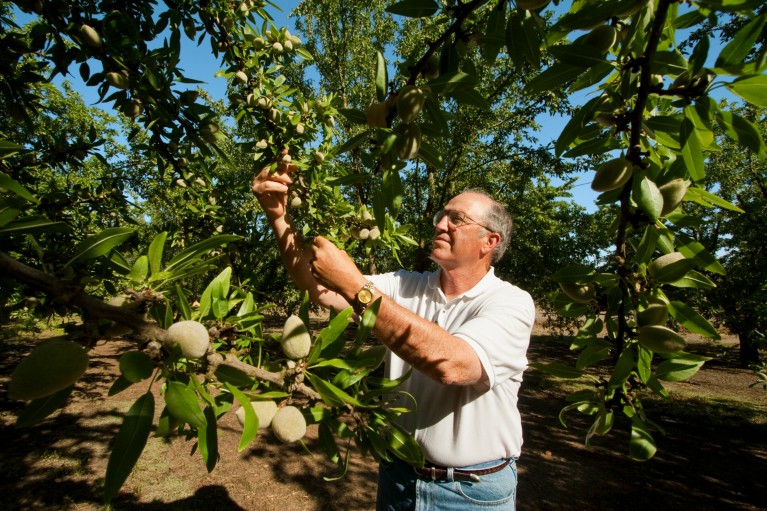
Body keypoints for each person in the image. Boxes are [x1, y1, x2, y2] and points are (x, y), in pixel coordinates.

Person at [252, 162, 535, 511]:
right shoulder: (406, 286)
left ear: (489, 242)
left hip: (470, 492)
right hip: (398, 477)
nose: (441, 224)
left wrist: (356, 285)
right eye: (442, 215)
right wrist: (279, 217)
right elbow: (318, 287)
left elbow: (454, 365)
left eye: (457, 219)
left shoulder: (510, 302)